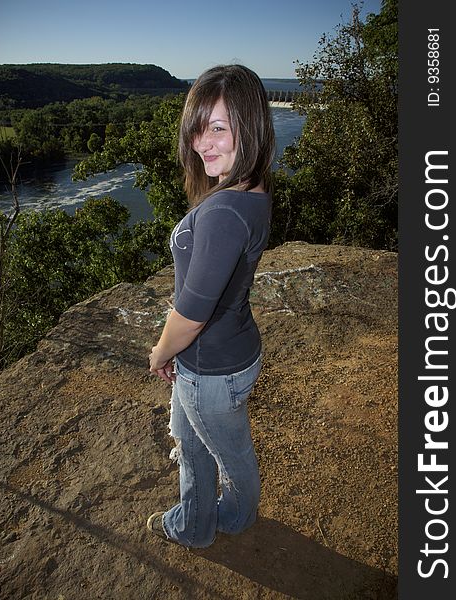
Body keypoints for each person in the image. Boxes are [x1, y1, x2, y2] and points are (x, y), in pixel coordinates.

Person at [147, 64, 275, 548]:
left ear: (251, 126)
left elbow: (192, 313)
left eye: (219, 127)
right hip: (225, 352)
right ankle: (197, 519)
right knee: (190, 439)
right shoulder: (250, 191)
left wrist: (161, 353)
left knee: (231, 457)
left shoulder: (223, 211)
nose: (203, 142)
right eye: (198, 128)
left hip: (209, 367)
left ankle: (230, 519)